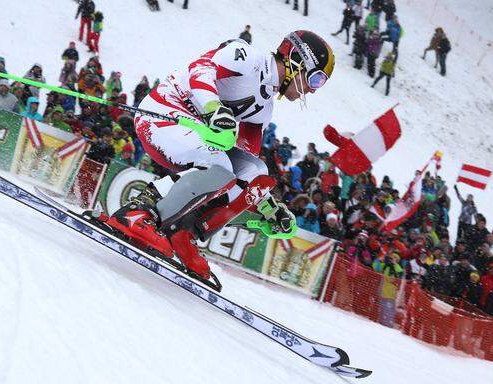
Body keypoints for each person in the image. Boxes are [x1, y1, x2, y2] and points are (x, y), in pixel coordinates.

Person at [103, 31, 335, 286]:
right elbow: (200, 69)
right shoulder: (248, 57)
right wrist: (214, 107)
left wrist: (269, 207)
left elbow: (244, 167)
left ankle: (181, 232)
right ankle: (138, 212)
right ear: (295, 61)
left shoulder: (264, 108)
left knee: (255, 172)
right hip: (162, 115)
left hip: (193, 137)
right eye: (315, 79)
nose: (311, 91)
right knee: (220, 167)